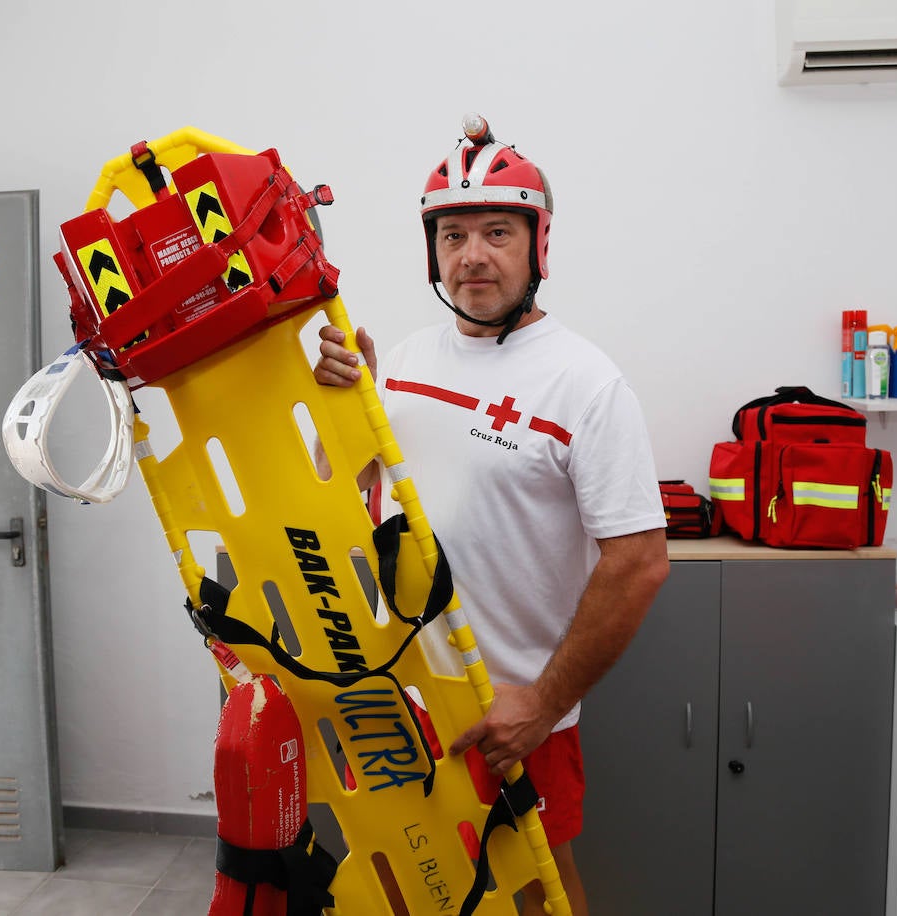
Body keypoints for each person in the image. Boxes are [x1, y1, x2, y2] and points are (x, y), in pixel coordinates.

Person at [314, 113, 669, 916]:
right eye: (453, 236)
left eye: (497, 232)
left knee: (535, 894)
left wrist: (541, 704)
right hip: (399, 701)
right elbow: (342, 493)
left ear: (537, 245)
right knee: (411, 887)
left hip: (509, 717)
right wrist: (346, 410)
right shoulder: (401, 360)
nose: (472, 255)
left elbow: (640, 560)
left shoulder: (586, 383)